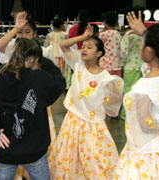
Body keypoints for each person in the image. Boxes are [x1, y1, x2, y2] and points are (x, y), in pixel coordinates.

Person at [0, 38, 66, 180]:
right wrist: (45, 62)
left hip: (7, 151)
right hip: (35, 150)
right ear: (33, 59)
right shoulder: (39, 78)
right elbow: (59, 83)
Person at [112, 11, 159, 179]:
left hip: (150, 153)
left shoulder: (143, 88)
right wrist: (146, 33)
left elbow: (145, 126)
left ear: (147, 50)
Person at [0, 11, 61, 180]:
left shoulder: (43, 51)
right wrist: (16, 29)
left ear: (35, 33)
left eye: (27, 31)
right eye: (20, 32)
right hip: (12, 109)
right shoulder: (13, 47)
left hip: (35, 107)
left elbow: (52, 80)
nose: (23, 35)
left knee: (34, 150)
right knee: (11, 146)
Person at [50, 25, 123, 180]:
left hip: (93, 124)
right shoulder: (78, 64)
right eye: (83, 47)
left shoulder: (106, 78)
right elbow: (62, 45)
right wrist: (83, 37)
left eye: (89, 47)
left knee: (95, 157)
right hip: (73, 120)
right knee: (69, 155)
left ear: (98, 54)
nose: (84, 49)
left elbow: (112, 107)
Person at [119, 12, 145, 120]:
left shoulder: (129, 34)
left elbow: (123, 51)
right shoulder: (146, 34)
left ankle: (126, 115)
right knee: (141, 92)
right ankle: (138, 114)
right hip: (144, 66)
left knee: (128, 91)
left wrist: (121, 63)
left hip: (130, 66)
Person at [44, 18, 72, 89]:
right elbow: (67, 46)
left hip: (52, 57)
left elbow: (45, 46)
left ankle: (53, 85)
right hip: (63, 57)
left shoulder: (49, 35)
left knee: (53, 72)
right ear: (61, 25)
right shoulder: (65, 34)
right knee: (63, 73)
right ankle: (64, 86)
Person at [99, 11, 122, 77]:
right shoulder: (118, 34)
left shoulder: (103, 34)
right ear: (116, 22)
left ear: (105, 22)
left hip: (105, 65)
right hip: (117, 64)